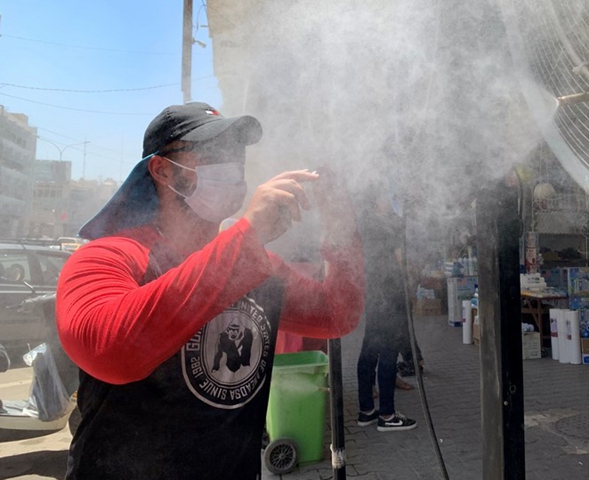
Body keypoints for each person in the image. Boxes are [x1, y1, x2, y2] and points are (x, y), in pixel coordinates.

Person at [56, 102, 365, 479]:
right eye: (212, 153)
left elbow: (337, 314)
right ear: (162, 170)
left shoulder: (256, 262)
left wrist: (341, 226)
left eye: (237, 154)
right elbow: (111, 351)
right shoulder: (108, 256)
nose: (231, 165)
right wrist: (247, 238)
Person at [356, 186, 417, 432]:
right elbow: (401, 260)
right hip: (389, 293)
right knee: (389, 353)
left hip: (372, 291)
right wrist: (409, 281)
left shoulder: (363, 224)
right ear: (379, 200)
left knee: (369, 350)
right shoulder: (388, 224)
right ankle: (388, 415)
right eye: (388, 197)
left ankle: (366, 410)